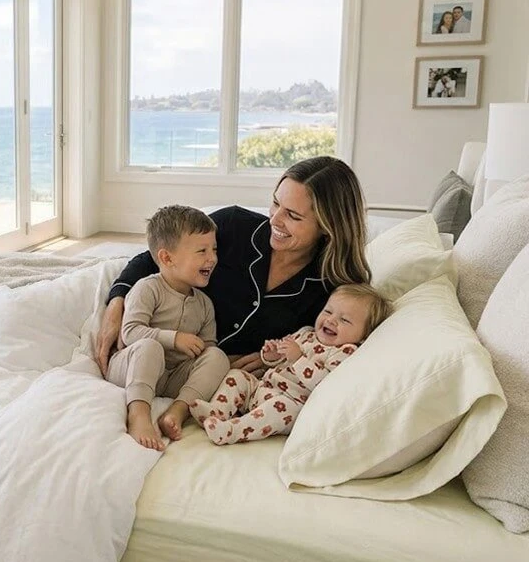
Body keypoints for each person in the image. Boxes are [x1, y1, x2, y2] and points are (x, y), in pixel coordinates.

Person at [96, 156, 371, 389]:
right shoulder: (232, 226)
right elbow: (150, 260)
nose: (274, 220)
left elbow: (323, 345)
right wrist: (116, 302)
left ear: (327, 226)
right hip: (152, 352)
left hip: (206, 380)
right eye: (275, 204)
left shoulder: (336, 288)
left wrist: (270, 358)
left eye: (293, 216)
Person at [190, 283, 391, 445]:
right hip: (261, 388)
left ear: (364, 335)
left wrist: (298, 359)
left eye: (345, 320)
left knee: (283, 408)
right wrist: (270, 355)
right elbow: (277, 359)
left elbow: (325, 385)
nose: (331, 320)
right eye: (328, 311)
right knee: (238, 376)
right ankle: (217, 411)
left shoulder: (345, 353)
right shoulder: (305, 333)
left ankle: (233, 430)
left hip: (289, 403)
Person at [105, 205, 230, 450]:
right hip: (132, 367)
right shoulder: (147, 288)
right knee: (150, 347)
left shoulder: (204, 303)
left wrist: (204, 352)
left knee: (217, 356)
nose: (212, 258)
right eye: (202, 251)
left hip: (172, 377)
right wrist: (175, 338)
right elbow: (130, 332)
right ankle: (139, 413)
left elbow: (208, 346)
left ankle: (178, 410)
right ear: (167, 258)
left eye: (213, 249)